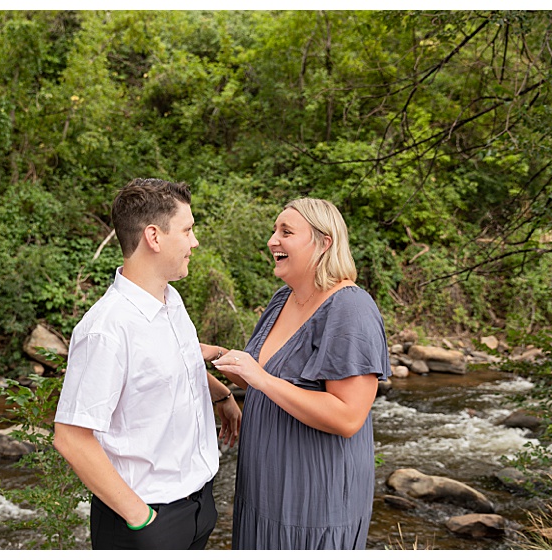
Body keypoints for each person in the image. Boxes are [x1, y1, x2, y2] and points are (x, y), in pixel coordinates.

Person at [53, 178, 241, 550]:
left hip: (199, 503)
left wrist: (221, 396)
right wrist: (142, 519)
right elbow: (71, 438)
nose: (195, 241)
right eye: (187, 230)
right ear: (154, 237)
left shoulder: (171, 300)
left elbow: (176, 362)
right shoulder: (105, 330)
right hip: (146, 521)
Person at [211, 198, 390, 550]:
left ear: (324, 242)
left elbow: (348, 416)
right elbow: (257, 378)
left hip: (313, 498)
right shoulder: (283, 299)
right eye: (275, 230)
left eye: (286, 232)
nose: (272, 240)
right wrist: (211, 355)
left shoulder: (350, 309)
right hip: (263, 489)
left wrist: (260, 379)